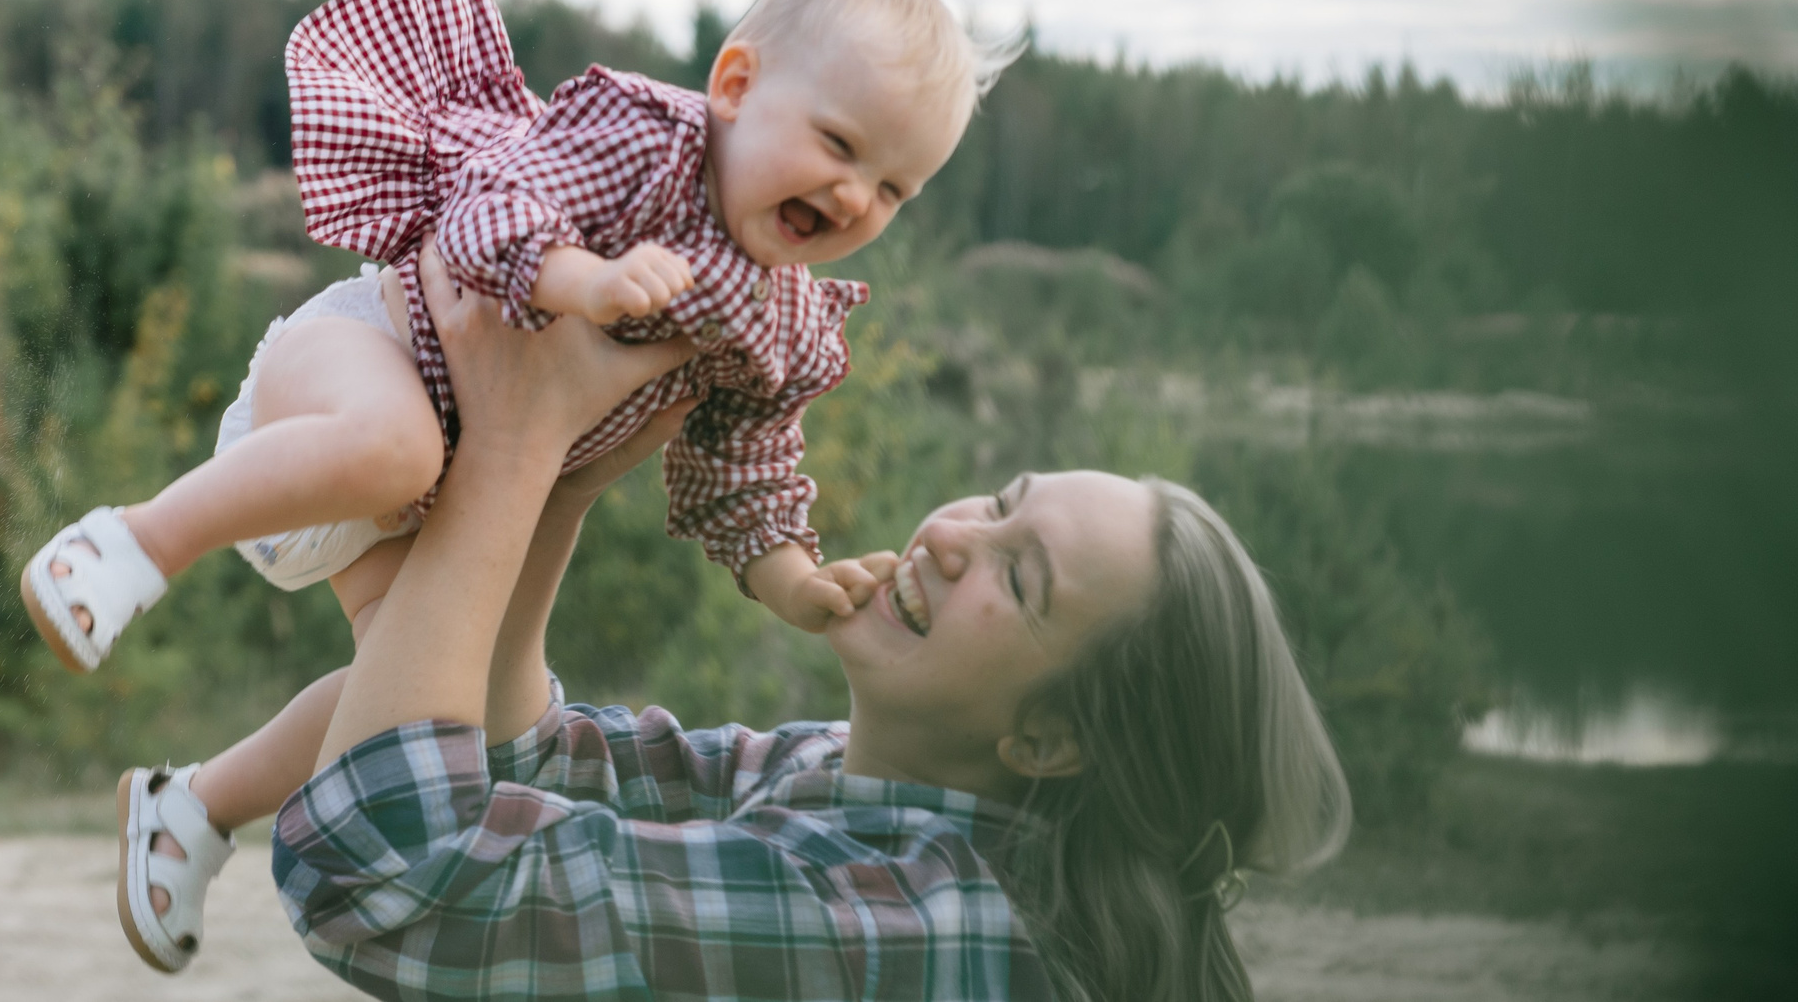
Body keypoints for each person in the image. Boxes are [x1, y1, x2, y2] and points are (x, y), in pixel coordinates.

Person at [21, 0, 993, 968]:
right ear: (736, 86)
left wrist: (790, 576)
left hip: (435, 487)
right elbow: (492, 199)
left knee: (425, 695)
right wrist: (579, 278)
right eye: (839, 145)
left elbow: (744, 465)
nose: (853, 197)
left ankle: (192, 810)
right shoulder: (644, 143)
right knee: (395, 446)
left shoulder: (779, 316)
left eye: (894, 188)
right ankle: (128, 543)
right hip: (363, 357)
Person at [245, 246, 1353, 1002]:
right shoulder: (852, 776)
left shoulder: (925, 925)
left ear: (1050, 740)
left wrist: (509, 443)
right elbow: (527, 758)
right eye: (1004, 501)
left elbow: (382, 875)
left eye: (1020, 581)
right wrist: (560, 482)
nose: (959, 536)